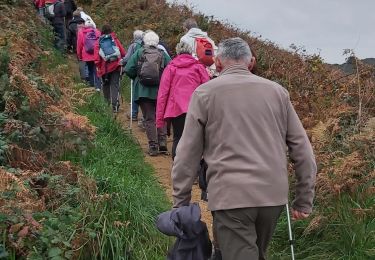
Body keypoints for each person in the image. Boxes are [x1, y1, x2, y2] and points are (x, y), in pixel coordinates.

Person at [171, 38, 317, 260]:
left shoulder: (205, 93)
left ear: (218, 63)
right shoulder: (278, 92)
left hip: (230, 196)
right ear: (251, 62)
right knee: (254, 253)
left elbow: (187, 153)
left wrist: (180, 202)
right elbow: (302, 149)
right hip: (272, 196)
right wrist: (304, 198)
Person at [156, 41, 210, 159]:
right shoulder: (199, 67)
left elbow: (162, 94)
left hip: (177, 110)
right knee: (197, 140)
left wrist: (160, 120)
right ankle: (196, 172)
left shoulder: (171, 68)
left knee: (178, 138)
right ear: (191, 52)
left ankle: (177, 170)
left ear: (177, 52)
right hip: (196, 109)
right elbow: (208, 90)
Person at [124, 30, 171, 156]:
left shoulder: (139, 52)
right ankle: (162, 143)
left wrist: (137, 77)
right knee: (160, 117)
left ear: (145, 41)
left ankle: (153, 147)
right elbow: (170, 69)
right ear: (157, 42)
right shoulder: (162, 54)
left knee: (149, 118)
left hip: (143, 91)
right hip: (160, 91)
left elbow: (128, 69)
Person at [94, 24, 126, 112]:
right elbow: (123, 52)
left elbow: (96, 57)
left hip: (104, 68)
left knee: (105, 85)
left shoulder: (99, 41)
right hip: (116, 66)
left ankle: (106, 104)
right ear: (111, 31)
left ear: (102, 32)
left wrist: (98, 66)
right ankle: (115, 106)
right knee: (115, 85)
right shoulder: (114, 39)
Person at [119, 30, 144, 121]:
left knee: (135, 92)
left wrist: (121, 62)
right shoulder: (145, 46)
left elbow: (127, 58)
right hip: (146, 72)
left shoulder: (133, 45)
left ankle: (134, 114)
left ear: (134, 37)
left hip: (136, 73)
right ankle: (144, 116)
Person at [77, 23, 101, 91]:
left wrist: (79, 55)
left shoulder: (81, 32)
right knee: (96, 69)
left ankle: (92, 85)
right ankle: (98, 86)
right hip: (96, 54)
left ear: (85, 27)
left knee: (90, 70)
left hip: (86, 55)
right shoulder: (97, 32)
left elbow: (79, 45)